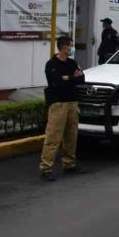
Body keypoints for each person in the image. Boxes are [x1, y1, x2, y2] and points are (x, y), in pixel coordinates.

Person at [40, 35, 85, 181]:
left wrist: (68, 78)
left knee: (71, 135)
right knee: (53, 136)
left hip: (72, 102)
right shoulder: (51, 64)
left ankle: (69, 164)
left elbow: (81, 79)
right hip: (58, 103)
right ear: (63, 47)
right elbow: (56, 83)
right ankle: (46, 168)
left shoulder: (72, 63)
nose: (72, 48)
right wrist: (71, 78)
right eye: (70, 46)